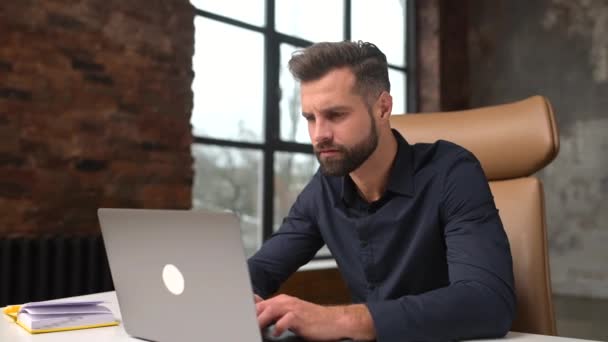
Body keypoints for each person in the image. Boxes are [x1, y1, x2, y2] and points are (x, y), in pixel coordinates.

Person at [248, 41, 516, 342]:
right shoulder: (325, 187)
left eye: (336, 115)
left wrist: (340, 319)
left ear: (383, 108)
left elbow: (488, 304)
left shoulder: (452, 172)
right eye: (310, 118)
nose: (319, 134)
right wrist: (230, 296)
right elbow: (261, 269)